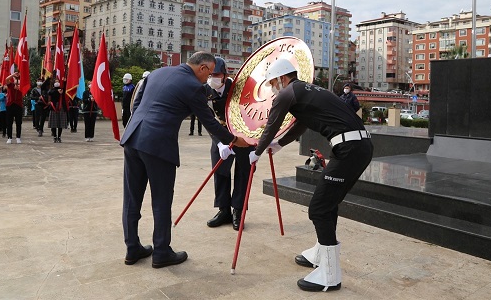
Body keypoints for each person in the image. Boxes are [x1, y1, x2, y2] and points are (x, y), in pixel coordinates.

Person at [249, 59, 373, 292]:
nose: (273, 89)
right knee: (329, 203)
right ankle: (320, 253)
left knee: (319, 208)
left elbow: (271, 124)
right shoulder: (307, 90)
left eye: (273, 83)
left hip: (350, 150)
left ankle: (330, 275)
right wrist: (279, 145)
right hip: (357, 146)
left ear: (282, 78)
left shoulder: (287, 93)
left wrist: (256, 152)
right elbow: (302, 124)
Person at [120, 52, 249, 269]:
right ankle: (161, 251)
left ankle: (132, 248)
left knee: (132, 198)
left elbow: (136, 104)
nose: (208, 79)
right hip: (158, 145)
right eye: (209, 73)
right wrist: (235, 140)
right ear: (204, 69)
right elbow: (210, 122)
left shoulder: (158, 72)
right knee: (161, 200)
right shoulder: (193, 86)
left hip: (133, 138)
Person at [204, 57, 255, 230]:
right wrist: (220, 144)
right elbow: (208, 120)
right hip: (220, 137)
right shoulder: (204, 90)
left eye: (216, 74)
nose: (213, 78)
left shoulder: (238, 88)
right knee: (220, 173)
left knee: (243, 174)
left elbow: (251, 111)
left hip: (242, 137)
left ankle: (238, 211)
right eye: (210, 74)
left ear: (225, 75)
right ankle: (223, 210)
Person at [5, 72, 23, 144]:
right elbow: (7, 79)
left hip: (18, 105)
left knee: (18, 122)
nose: (16, 80)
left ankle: (18, 137)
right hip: (10, 105)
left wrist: (19, 87)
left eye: (17, 78)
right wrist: (13, 75)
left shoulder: (22, 87)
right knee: (9, 122)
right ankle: (9, 137)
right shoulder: (11, 85)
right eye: (15, 78)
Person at [48, 78, 68, 143]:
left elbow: (67, 88)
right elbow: (49, 93)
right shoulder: (52, 90)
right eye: (55, 81)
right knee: (53, 123)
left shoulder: (62, 89)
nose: (57, 82)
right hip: (54, 107)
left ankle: (59, 137)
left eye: (58, 81)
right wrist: (57, 91)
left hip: (61, 107)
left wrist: (65, 82)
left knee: (60, 123)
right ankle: (54, 136)